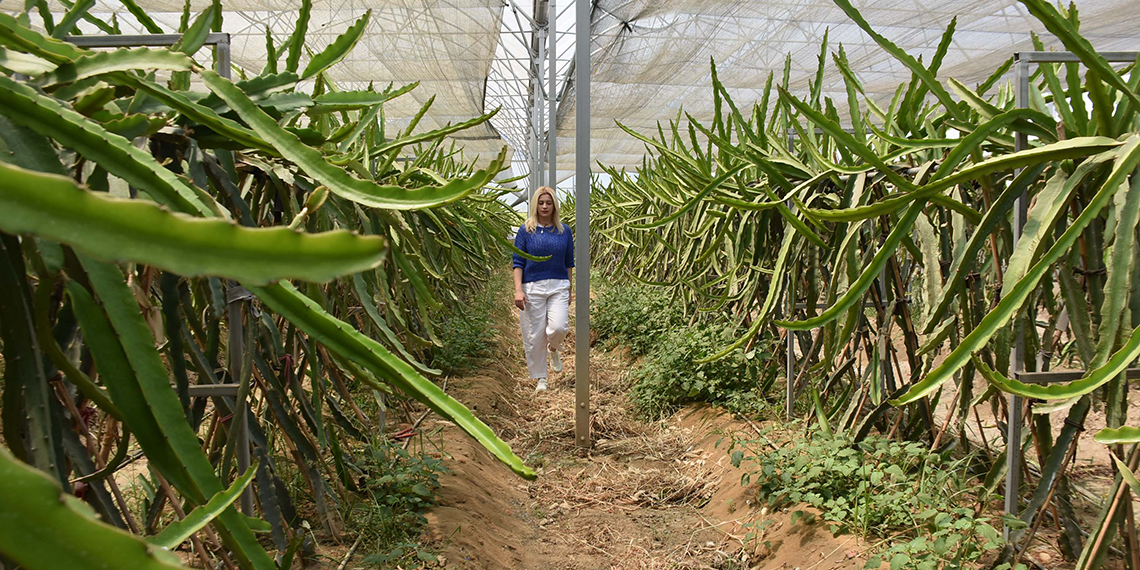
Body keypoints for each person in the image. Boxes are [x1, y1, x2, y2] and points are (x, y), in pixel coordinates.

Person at [512, 186, 574, 392]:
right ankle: (541, 379)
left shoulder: (564, 231)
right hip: (532, 287)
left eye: (548, 202)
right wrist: (518, 289)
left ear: (554, 205)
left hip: (559, 285)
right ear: (535, 205)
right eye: (541, 203)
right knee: (534, 335)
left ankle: (553, 348)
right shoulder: (526, 230)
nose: (545, 206)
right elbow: (518, 262)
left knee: (559, 327)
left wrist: (569, 288)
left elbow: (569, 262)